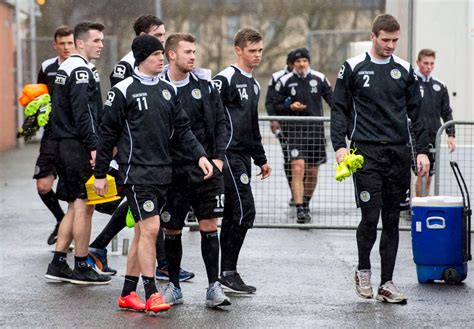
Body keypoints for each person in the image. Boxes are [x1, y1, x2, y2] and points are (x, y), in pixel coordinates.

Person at [93, 34, 213, 313]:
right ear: (141, 58)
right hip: (136, 174)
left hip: (163, 174)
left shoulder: (167, 90)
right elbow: (106, 134)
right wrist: (100, 173)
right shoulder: (122, 90)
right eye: (155, 54)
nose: (161, 58)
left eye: (162, 53)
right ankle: (151, 293)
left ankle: (126, 294)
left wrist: (201, 156)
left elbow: (182, 129)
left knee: (141, 234)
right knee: (151, 229)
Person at [330, 14, 430, 304]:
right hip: (365, 152)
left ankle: (387, 282)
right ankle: (363, 270)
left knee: (391, 218)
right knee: (370, 215)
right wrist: (339, 146)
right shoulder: (352, 67)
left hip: (398, 152)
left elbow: (418, 114)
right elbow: (339, 109)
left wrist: (421, 150)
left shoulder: (405, 70)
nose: (390, 45)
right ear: (373, 36)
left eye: (395, 40)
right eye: (385, 40)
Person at [89, 14, 194, 281]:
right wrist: (107, 159)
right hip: (134, 160)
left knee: (142, 225)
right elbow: (118, 119)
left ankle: (126, 278)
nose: (162, 41)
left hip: (155, 162)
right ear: (141, 39)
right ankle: (155, 276)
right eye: (158, 36)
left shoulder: (160, 81)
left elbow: (179, 125)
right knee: (147, 222)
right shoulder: (127, 71)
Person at [158, 33, 231, 308]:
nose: (193, 56)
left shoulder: (206, 86)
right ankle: (173, 286)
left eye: (194, 51)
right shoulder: (159, 87)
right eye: (187, 51)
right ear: (171, 55)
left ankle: (214, 287)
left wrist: (219, 158)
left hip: (207, 171)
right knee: (172, 229)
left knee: (209, 225)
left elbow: (222, 123)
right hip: (172, 173)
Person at [44, 21, 111, 285]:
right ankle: (82, 265)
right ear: (80, 42)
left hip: (65, 143)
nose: (101, 45)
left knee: (74, 204)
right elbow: (84, 114)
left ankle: (58, 262)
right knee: (85, 205)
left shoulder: (67, 66)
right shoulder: (80, 70)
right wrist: (95, 146)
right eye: (96, 40)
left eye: (103, 40)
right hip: (76, 144)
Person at [213, 28, 272, 294]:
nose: (257, 55)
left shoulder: (254, 83)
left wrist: (261, 158)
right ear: (238, 50)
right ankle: (227, 272)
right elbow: (209, 115)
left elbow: (251, 124)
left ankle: (225, 272)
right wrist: (212, 153)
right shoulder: (225, 79)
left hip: (243, 157)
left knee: (234, 214)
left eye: (260, 50)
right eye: (252, 51)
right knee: (244, 211)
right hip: (226, 155)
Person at [273, 48, 333, 223]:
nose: (301, 64)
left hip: (315, 133)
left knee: (313, 172)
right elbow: (275, 105)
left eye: (304, 61)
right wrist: (290, 108)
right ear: (293, 64)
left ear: (308, 62)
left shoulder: (319, 79)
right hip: (295, 133)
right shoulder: (284, 81)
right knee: (298, 168)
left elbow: (333, 100)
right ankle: (299, 208)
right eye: (298, 61)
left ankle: (306, 203)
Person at [34, 26, 74, 245]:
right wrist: (34, 116)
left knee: (72, 194)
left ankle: (68, 238)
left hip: (72, 138)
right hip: (50, 136)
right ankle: (60, 220)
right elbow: (39, 97)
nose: (66, 47)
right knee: (43, 186)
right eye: (63, 43)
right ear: (55, 45)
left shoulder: (83, 68)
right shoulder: (47, 67)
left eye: (70, 43)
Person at [414, 48, 455, 196]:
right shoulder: (411, 82)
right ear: (418, 62)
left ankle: (423, 205)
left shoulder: (440, 85)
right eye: (425, 63)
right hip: (414, 136)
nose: (429, 67)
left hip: (433, 136)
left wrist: (451, 135)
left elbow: (446, 111)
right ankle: (412, 207)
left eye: (432, 63)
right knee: (417, 173)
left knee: (428, 175)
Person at [265, 50, 294, 204]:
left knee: (305, 162)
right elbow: (269, 101)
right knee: (289, 159)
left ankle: (301, 194)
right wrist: (274, 120)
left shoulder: (306, 75)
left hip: (303, 127)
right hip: (284, 126)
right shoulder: (277, 77)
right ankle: (294, 192)